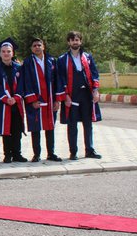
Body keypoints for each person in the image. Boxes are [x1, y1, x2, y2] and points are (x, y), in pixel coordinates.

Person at [56, 30, 102, 160]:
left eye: (77, 40)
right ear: (68, 42)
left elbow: (94, 74)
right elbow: (60, 79)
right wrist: (65, 96)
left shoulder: (87, 57)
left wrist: (95, 90)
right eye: (72, 40)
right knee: (72, 124)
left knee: (88, 123)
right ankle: (73, 152)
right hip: (72, 95)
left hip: (86, 95)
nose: (75, 42)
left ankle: (90, 150)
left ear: (80, 41)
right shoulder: (62, 59)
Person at [23, 38, 62, 162]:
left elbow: (57, 80)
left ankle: (51, 153)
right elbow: (26, 82)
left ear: (43, 47)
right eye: (34, 45)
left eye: (39, 45)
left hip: (50, 99)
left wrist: (57, 100)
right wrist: (32, 100)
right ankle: (37, 154)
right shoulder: (27, 62)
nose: (37, 47)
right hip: (36, 101)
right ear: (31, 48)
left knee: (50, 127)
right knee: (35, 128)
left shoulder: (52, 61)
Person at [0, 39, 28, 163]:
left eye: (8, 51)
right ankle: (7, 154)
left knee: (17, 129)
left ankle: (17, 154)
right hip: (3, 103)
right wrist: (6, 99)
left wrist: (15, 98)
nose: (6, 53)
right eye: (4, 51)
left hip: (16, 102)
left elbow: (22, 84)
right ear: (0, 54)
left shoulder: (19, 67)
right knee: (6, 130)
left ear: (12, 53)